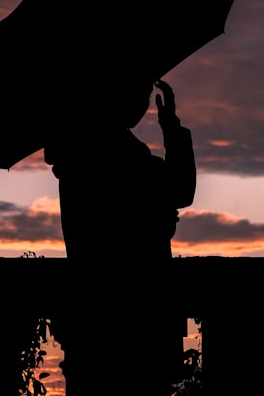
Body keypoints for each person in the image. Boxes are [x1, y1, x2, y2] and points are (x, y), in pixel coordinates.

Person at [44, 78, 195, 394]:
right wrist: (171, 127)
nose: (143, 104)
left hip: (95, 310)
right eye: (138, 95)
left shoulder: (79, 154)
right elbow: (179, 189)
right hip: (135, 310)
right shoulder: (119, 155)